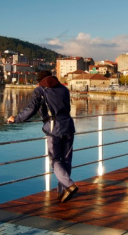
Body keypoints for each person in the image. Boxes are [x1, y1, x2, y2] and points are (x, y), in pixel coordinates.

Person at [7, 70, 78, 203]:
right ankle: (63, 191)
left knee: (55, 160)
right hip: (68, 126)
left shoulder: (40, 91)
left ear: (40, 80)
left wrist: (16, 119)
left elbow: (31, 109)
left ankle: (69, 185)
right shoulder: (64, 89)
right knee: (66, 160)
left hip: (53, 128)